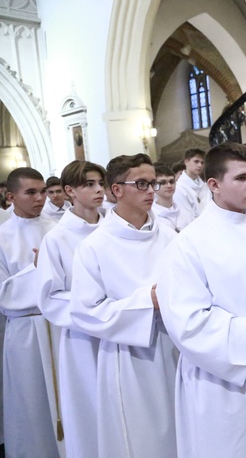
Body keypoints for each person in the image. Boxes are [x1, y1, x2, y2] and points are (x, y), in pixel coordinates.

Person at [156, 142, 246, 458]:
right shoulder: (189, 244)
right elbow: (187, 322)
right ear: (214, 184)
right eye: (241, 178)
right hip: (222, 380)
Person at [70, 153, 178, 458]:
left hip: (176, 346)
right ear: (116, 190)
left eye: (153, 183)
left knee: (180, 431)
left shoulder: (170, 237)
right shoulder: (94, 246)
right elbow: (85, 311)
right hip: (128, 355)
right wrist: (147, 302)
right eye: (141, 184)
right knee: (141, 439)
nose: (150, 191)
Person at [36, 160, 107, 458]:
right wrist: (93, 308)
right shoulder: (57, 238)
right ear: (69, 191)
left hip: (122, 331)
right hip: (83, 337)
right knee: (91, 408)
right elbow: (50, 297)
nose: (99, 190)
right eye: (89, 184)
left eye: (100, 183)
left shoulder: (113, 229)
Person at [0, 167, 59, 457]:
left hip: (61, 327)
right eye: (31, 192)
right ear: (10, 197)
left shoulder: (57, 229)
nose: (40, 198)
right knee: (31, 404)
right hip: (25, 331)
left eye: (43, 191)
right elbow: (4, 294)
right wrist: (37, 270)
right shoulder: (2, 237)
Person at [152, 164, 192, 232]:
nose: (169, 186)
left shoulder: (185, 211)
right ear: (154, 186)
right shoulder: (152, 215)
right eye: (163, 183)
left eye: (171, 182)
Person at [174, 148, 210, 218]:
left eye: (202, 162)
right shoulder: (179, 188)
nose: (200, 165)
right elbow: (185, 216)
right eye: (196, 161)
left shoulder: (205, 186)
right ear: (186, 162)